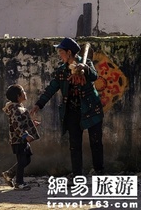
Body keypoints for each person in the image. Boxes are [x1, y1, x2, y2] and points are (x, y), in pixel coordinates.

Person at [30, 37, 104, 178]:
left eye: (61, 52)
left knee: (96, 141)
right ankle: (77, 175)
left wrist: (85, 68)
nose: (60, 54)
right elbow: (51, 88)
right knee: (74, 144)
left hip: (91, 108)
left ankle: (99, 171)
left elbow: (94, 76)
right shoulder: (62, 71)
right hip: (72, 110)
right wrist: (39, 104)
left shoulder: (85, 63)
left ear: (69, 52)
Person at [2, 84, 40, 190]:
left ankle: (9, 174)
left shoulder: (19, 107)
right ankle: (19, 183)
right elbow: (16, 124)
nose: (25, 93)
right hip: (18, 140)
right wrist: (25, 135)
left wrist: (31, 124)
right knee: (22, 159)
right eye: (23, 91)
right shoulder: (15, 109)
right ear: (18, 96)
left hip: (21, 139)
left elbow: (22, 121)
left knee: (26, 159)